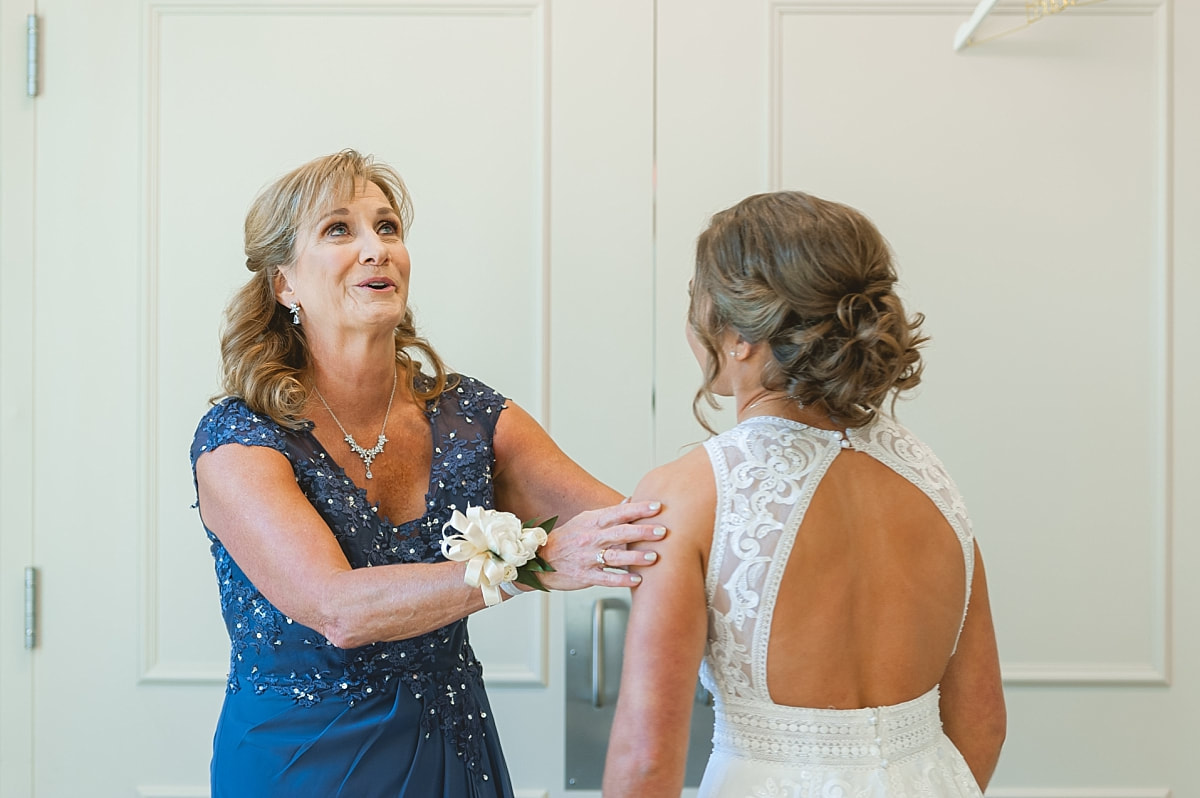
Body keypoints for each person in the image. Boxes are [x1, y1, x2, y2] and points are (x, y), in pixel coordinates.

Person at [190, 149, 664, 797]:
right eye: (339, 230)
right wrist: (533, 562)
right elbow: (337, 608)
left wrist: (749, 468)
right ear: (284, 285)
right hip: (298, 765)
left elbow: (639, 531)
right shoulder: (240, 440)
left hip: (450, 753)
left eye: (388, 228)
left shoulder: (471, 417)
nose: (376, 248)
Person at [602, 191, 1006, 796]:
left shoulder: (685, 495)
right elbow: (983, 722)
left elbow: (645, 763)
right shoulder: (931, 478)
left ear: (737, 332)